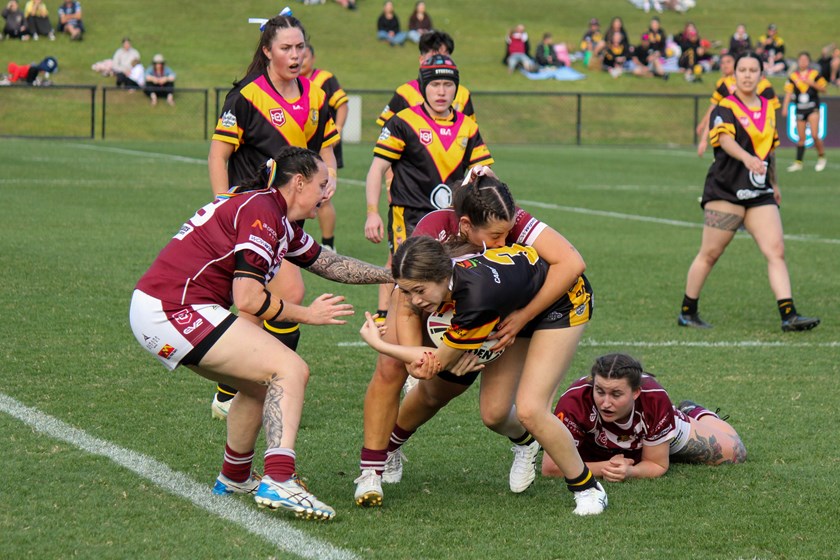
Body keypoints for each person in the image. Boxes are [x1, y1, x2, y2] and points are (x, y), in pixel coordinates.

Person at [129, 147, 392, 521]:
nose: (326, 192)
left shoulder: (275, 215)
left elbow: (331, 263)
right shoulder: (264, 212)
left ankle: (235, 476)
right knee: (291, 369)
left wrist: (393, 275)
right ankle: (280, 478)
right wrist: (308, 314)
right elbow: (248, 298)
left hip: (163, 308)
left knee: (260, 385)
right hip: (171, 309)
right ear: (298, 183)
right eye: (321, 184)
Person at [354, 171, 604, 513]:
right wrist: (424, 361)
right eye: (496, 236)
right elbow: (413, 308)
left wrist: (382, 343)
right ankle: (379, 460)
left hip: (557, 305)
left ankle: (588, 488)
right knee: (494, 413)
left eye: (506, 233)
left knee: (530, 408)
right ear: (466, 227)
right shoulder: (437, 248)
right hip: (502, 309)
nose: (504, 242)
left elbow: (571, 261)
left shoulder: (479, 284)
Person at [208, 13, 340, 420]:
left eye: (300, 47)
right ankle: (267, 382)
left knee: (251, 306)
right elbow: (219, 155)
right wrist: (222, 207)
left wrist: (328, 178)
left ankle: (230, 388)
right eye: (286, 48)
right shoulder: (246, 97)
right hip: (253, 214)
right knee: (291, 293)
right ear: (267, 51)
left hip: (291, 217)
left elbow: (326, 152)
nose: (295, 54)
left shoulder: (316, 96)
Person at [678, 52, 820, 333]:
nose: (746, 74)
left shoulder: (768, 107)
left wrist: (775, 183)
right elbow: (726, 140)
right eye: (741, 69)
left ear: (761, 74)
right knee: (710, 253)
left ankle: (788, 314)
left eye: (752, 70)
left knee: (776, 250)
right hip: (726, 190)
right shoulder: (724, 107)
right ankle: (687, 310)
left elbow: (771, 150)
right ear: (734, 74)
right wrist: (746, 158)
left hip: (759, 192)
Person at [371, 31, 477, 322]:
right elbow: (385, 143)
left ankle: (436, 321)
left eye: (448, 83)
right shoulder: (405, 99)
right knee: (403, 262)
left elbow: (471, 151)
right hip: (409, 200)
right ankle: (388, 316)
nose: (442, 90)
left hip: (447, 205)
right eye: (435, 82)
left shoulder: (465, 106)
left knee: (442, 263)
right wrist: (387, 188)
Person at [542, 353, 746, 482]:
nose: (605, 402)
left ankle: (693, 412)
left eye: (616, 394)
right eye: (600, 391)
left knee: (736, 452)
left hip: (657, 430)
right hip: (608, 449)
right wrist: (609, 468)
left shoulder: (654, 399)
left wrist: (630, 472)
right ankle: (654, 444)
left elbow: (657, 464)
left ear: (636, 393)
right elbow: (551, 467)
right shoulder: (573, 402)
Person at [300, 43, 348, 251]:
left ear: (312, 57)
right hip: (299, 146)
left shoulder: (324, 79)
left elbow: (342, 104)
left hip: (322, 143)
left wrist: (337, 128)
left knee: (323, 197)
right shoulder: (288, 82)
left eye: (305, 55)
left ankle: (328, 244)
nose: (300, 60)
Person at [695, 52, 780, 157]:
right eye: (742, 70)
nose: (725, 65)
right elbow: (714, 110)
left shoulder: (765, 88)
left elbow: (772, 118)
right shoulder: (724, 85)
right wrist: (704, 135)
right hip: (732, 145)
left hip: (757, 146)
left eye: (728, 62)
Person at [783, 52, 828, 172]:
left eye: (805, 59)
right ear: (798, 62)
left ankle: (821, 157)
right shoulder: (793, 76)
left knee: (814, 135)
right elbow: (788, 93)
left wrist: (812, 83)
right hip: (800, 108)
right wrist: (785, 107)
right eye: (801, 59)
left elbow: (824, 89)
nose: (803, 62)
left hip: (813, 107)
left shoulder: (814, 74)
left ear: (809, 62)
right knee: (801, 137)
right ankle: (798, 163)